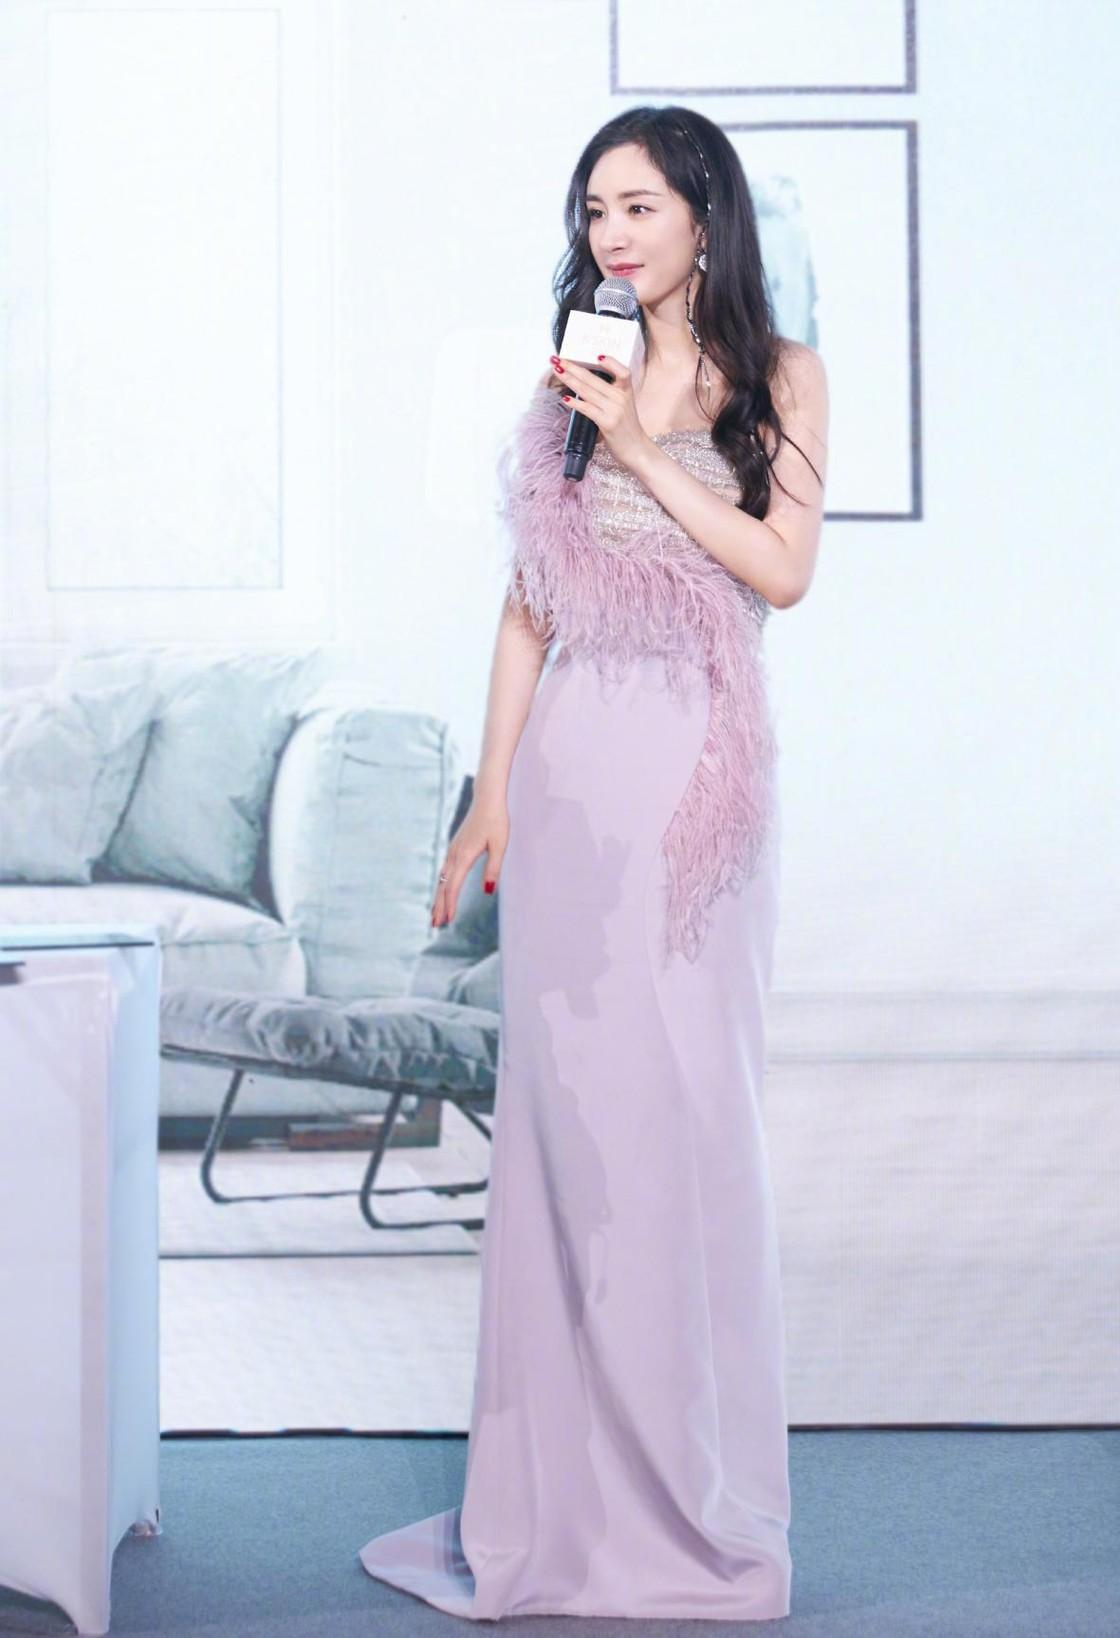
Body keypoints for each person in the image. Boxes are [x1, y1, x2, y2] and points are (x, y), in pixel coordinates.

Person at [358, 104, 828, 1621]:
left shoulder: (782, 375)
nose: (612, 235)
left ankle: (694, 1504)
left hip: (697, 782)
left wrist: (638, 444)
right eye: (594, 211)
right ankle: (558, 1507)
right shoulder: (569, 374)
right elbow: (528, 603)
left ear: (705, 214)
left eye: (639, 206)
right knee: (568, 1134)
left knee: (687, 1119)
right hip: (569, 778)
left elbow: (782, 572)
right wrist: (490, 792)